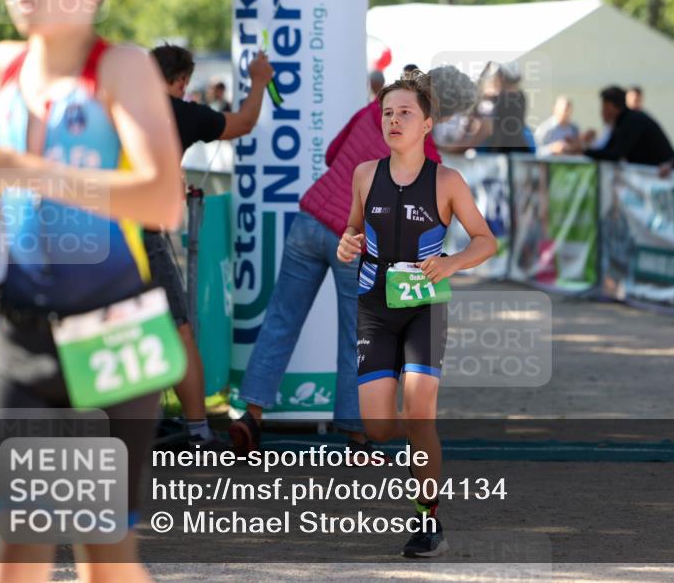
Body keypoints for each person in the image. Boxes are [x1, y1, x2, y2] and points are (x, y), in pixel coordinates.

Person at [0, 0, 182, 580]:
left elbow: (161, 199)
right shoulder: (0, 66)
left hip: (111, 335)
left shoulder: (121, 68)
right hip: (22, 336)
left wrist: (26, 171)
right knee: (10, 560)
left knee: (103, 560)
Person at [227, 65, 476, 458]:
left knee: (280, 319)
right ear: (442, 115)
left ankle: (251, 414)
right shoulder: (427, 156)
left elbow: (331, 154)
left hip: (309, 221)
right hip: (357, 241)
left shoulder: (375, 110)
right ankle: (357, 435)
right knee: (358, 336)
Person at [337, 70, 497, 557]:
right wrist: (348, 245)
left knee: (419, 414)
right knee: (379, 427)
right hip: (374, 309)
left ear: (428, 124)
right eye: (387, 113)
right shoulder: (366, 174)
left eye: (405, 112)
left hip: (424, 309)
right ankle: (408, 453)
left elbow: (486, 240)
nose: (394, 120)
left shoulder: (447, 182)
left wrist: (450, 263)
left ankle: (428, 522)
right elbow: (352, 232)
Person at [149, 43, 274, 448]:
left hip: (98, 233)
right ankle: (199, 431)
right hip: (142, 233)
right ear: (183, 81)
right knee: (180, 331)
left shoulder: (122, 108)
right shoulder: (182, 112)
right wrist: (258, 82)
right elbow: (244, 122)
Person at [571, 86, 674, 164]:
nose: (602, 113)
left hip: (666, 172)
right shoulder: (621, 122)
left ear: (613, 107)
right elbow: (608, 149)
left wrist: (584, 151)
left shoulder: (632, 121)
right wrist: (584, 148)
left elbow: (615, 154)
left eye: (605, 108)